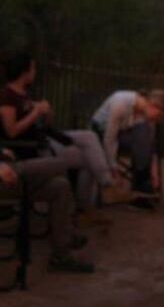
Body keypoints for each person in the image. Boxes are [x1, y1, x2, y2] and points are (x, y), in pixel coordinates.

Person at [0, 53, 129, 225]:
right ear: (24, 72)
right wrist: (35, 112)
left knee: (89, 141)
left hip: (44, 139)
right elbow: (11, 131)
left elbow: (41, 124)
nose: (34, 72)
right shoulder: (7, 96)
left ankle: (88, 203)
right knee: (86, 155)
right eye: (33, 68)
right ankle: (98, 195)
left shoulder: (24, 93)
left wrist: (46, 113)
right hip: (31, 149)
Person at [0, 153, 94, 273]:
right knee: (60, 164)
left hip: (9, 176)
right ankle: (69, 236)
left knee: (60, 187)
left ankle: (61, 256)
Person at [91, 89, 164, 203]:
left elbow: (150, 146)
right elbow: (109, 139)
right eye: (158, 115)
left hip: (121, 132)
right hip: (100, 133)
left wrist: (153, 172)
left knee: (143, 135)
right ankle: (141, 187)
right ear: (153, 105)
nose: (157, 119)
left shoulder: (144, 114)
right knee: (141, 135)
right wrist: (114, 169)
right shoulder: (120, 103)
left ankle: (140, 187)